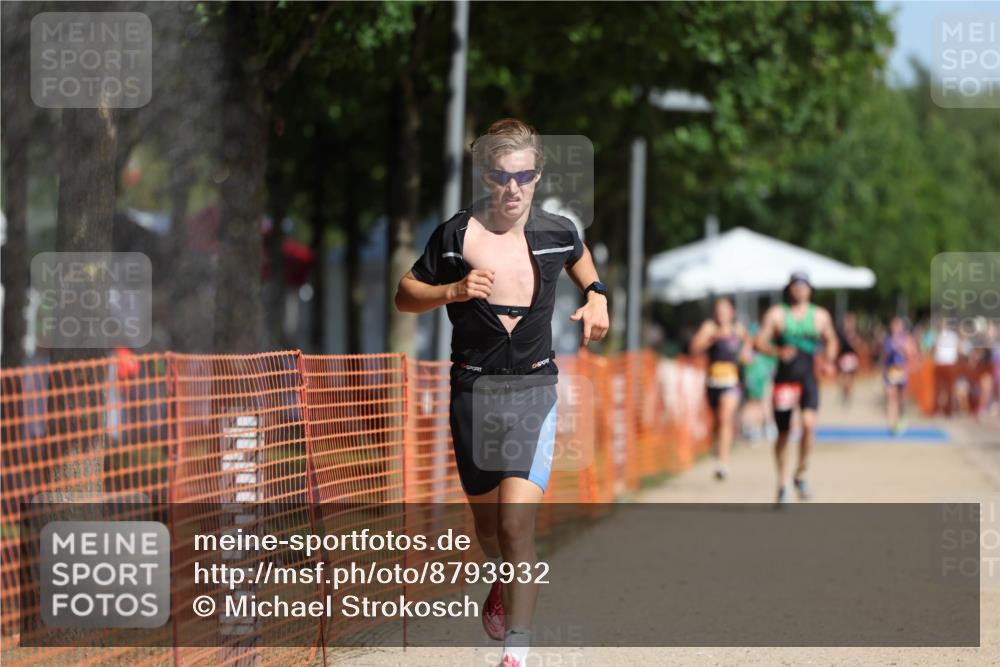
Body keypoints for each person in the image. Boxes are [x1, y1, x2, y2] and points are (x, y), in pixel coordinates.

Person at [394, 119, 609, 667]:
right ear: (485, 176)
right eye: (501, 176)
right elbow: (405, 294)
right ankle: (497, 576)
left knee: (516, 525)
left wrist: (597, 294)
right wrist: (452, 290)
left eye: (524, 176)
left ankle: (517, 650)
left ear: (538, 175)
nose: (513, 188)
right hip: (473, 390)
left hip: (535, 388)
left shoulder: (557, 231)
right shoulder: (456, 235)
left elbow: (580, 256)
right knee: (489, 529)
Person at [754, 272, 838, 507]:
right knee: (783, 434)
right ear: (789, 289)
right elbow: (759, 342)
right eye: (795, 285)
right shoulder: (777, 314)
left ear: (810, 289)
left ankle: (800, 472)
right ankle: (782, 484)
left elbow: (832, 339)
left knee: (809, 425)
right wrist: (776, 351)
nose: (800, 289)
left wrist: (829, 360)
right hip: (785, 380)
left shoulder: (819, 316)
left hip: (808, 378)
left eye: (804, 285)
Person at [690, 297, 751, 479]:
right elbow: (694, 347)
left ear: (732, 312)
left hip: (732, 382)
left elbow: (749, 345)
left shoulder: (738, 329)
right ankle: (718, 446)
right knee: (716, 421)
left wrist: (746, 353)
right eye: (718, 310)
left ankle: (722, 462)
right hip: (713, 381)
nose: (721, 314)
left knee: (725, 418)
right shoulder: (709, 327)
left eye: (725, 310)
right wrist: (713, 338)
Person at [882, 316, 916, 434]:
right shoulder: (888, 340)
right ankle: (891, 423)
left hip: (902, 369)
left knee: (900, 397)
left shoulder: (906, 339)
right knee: (891, 396)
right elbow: (884, 356)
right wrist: (884, 370)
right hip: (891, 370)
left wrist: (903, 349)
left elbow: (912, 352)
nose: (896, 328)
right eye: (894, 325)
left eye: (898, 325)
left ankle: (901, 419)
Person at [836, 312, 863, 406]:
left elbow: (858, 347)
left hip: (851, 358)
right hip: (843, 358)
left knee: (849, 379)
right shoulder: (841, 334)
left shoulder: (855, 334)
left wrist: (852, 339)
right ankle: (845, 393)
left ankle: (848, 396)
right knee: (842, 379)